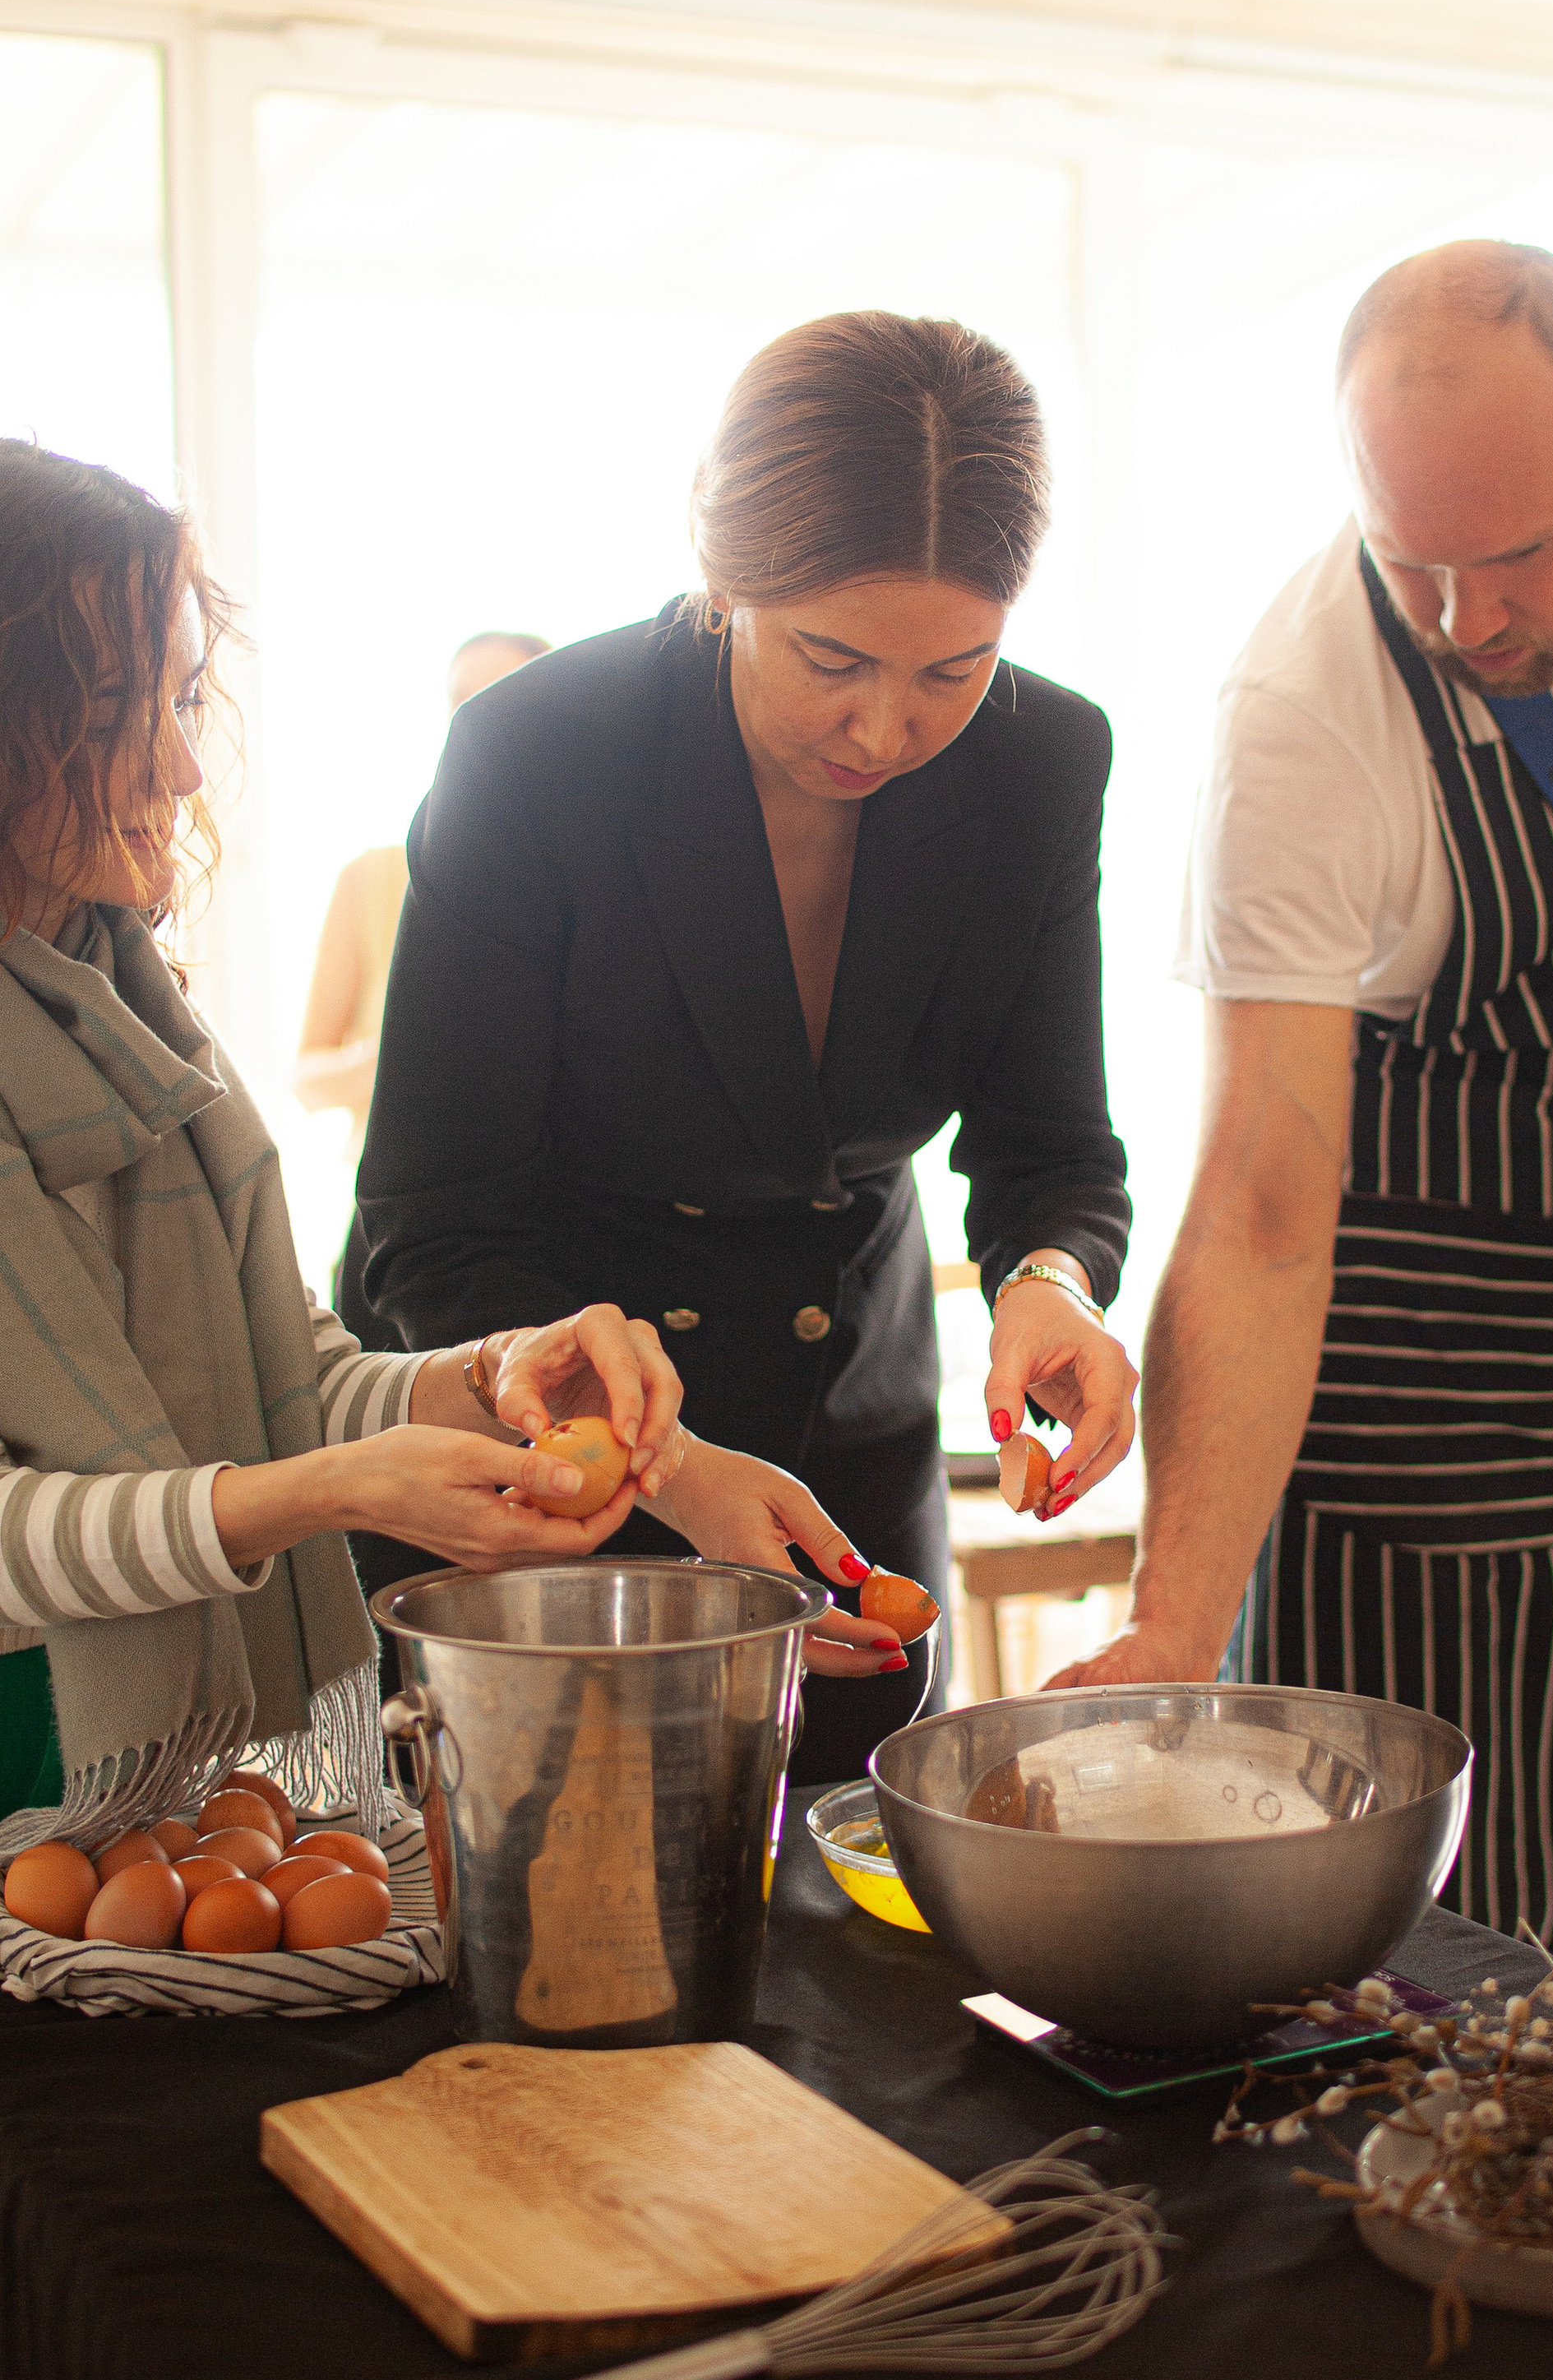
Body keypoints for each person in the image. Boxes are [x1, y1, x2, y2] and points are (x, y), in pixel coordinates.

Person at [1056, 243, 1553, 1945]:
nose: (1465, 616)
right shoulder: (1300, 718)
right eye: (1412, 559)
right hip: (1404, 1469)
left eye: (1517, 554)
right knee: (1396, 1938)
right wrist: (1175, 1623)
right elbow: (1263, 1197)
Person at [0, 442, 891, 1842]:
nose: (176, 762)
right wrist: (316, 1497)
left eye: (178, 696)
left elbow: (296, 1375)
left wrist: (485, 1380)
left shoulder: (127, 996)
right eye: (105, 707)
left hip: (160, 1786)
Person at [359, 311, 1138, 1780]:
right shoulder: (542, 750)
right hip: (554, 1422)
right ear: (724, 573)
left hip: (848, 1413)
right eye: (831, 657)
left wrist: (1053, 1285)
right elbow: (428, 1225)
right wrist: (662, 1466)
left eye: (953, 671)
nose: (886, 727)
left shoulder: (1044, 760)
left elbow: (1051, 1147)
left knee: (857, 1910)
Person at [296, 627, 552, 1350]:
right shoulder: (376, 876)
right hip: (401, 1225)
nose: (482, 723)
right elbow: (308, 1075)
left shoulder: (589, 885)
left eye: (506, 702)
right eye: (462, 704)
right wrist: (416, 1049)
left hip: (538, 1233)